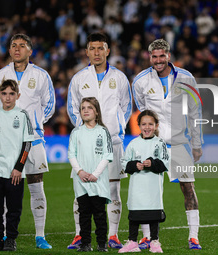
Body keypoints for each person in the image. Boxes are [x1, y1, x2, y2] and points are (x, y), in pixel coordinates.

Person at [132, 39, 204, 250]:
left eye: (162, 56)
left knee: (188, 188)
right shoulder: (141, 81)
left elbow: (195, 112)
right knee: (148, 190)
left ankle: (193, 236)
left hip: (180, 143)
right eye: (154, 57)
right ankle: (147, 237)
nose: (158, 60)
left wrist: (197, 143)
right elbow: (143, 114)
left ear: (169, 56)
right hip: (154, 145)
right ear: (150, 57)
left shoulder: (186, 78)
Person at [0, 34, 55, 249]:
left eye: (22, 46)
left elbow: (50, 104)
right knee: (7, 189)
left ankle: (40, 235)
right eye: (13, 46)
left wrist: (32, 123)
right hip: (6, 143)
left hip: (33, 139)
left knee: (36, 185)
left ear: (30, 51)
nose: (17, 49)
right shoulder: (0, 75)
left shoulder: (41, 75)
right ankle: (7, 237)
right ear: (9, 51)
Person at [67, 32, 132, 249]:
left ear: (108, 51)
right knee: (82, 190)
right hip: (85, 143)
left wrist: (117, 130)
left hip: (112, 141)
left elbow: (126, 107)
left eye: (100, 48)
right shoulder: (78, 79)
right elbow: (72, 108)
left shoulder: (119, 78)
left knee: (113, 190)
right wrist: (86, 131)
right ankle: (79, 235)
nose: (96, 52)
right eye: (92, 48)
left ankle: (113, 235)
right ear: (86, 52)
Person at [0, 79, 34, 251]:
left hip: (15, 172)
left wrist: (18, 168)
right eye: (4, 93)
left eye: (11, 94)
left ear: (17, 96)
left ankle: (11, 239)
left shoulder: (22, 115)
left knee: (14, 209)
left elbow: (27, 144)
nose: (7, 97)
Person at [119, 110, 169, 253]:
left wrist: (151, 163)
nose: (147, 127)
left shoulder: (160, 143)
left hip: (153, 186)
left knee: (153, 215)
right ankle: (132, 242)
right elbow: (124, 163)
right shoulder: (133, 144)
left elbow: (165, 163)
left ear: (156, 125)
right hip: (137, 186)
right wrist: (135, 165)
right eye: (144, 124)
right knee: (135, 214)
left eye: (150, 124)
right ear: (139, 126)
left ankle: (154, 241)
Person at [68, 97, 113, 252]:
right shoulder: (76, 132)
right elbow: (71, 154)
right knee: (84, 214)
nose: (85, 110)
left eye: (89, 107)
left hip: (98, 180)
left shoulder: (103, 131)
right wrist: (79, 171)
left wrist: (95, 174)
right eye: (82, 108)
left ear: (97, 112)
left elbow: (107, 155)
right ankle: (85, 243)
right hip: (81, 180)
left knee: (100, 214)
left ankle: (102, 244)